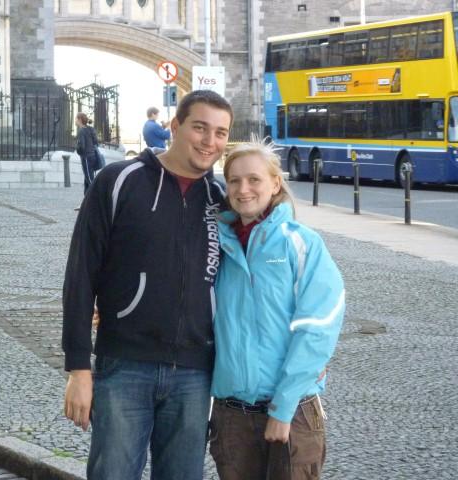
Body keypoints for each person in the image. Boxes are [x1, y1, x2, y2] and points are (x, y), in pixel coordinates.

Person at [62, 90, 233, 480]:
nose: (210, 142)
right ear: (175, 127)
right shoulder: (117, 181)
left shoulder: (223, 201)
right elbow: (80, 274)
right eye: (200, 128)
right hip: (125, 365)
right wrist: (78, 368)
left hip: (195, 373)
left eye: (221, 133)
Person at [208, 139, 345, 480]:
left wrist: (282, 408)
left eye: (254, 179)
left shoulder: (302, 243)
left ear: (275, 183)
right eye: (234, 180)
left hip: (292, 412)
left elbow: (317, 327)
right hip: (232, 416)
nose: (243, 189)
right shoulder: (214, 246)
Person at [75, 112, 100, 194]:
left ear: (80, 120)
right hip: (93, 156)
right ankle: (86, 199)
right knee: (87, 178)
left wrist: (78, 151)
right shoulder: (91, 129)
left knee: (90, 180)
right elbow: (96, 142)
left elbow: (81, 147)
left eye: (76, 119)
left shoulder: (81, 131)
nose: (75, 121)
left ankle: (97, 198)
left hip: (86, 157)